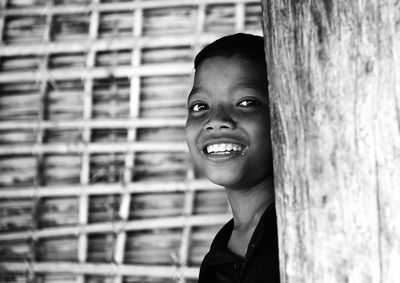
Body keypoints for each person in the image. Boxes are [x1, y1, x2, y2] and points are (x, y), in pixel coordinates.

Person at [185, 33, 280, 283]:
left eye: (246, 102)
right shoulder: (221, 250)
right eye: (200, 106)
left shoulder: (305, 229)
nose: (216, 121)